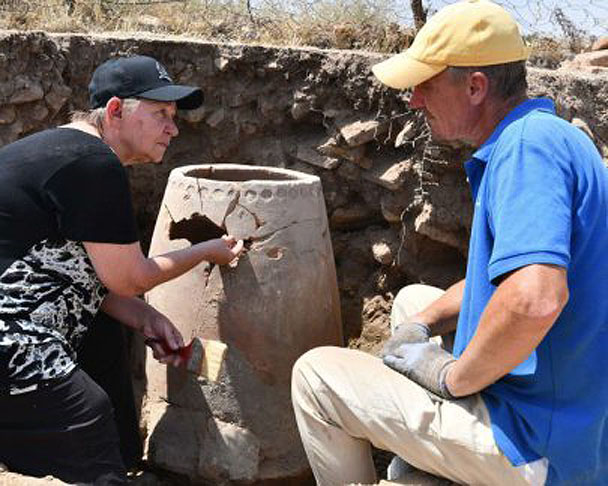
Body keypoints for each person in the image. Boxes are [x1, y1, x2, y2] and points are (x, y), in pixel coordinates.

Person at [290, 1, 608, 485]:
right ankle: (420, 470)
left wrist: (451, 378)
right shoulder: (552, 135)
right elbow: (496, 280)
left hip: (536, 445)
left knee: (316, 376)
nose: (415, 101)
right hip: (571, 415)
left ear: (476, 87)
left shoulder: (525, 152)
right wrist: (422, 324)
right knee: (415, 302)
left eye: (426, 85)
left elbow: (536, 298)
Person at [0, 55, 244, 484]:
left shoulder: (63, 152)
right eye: (161, 114)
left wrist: (146, 317)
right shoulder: (94, 165)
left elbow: (84, 275)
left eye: (173, 116)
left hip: (24, 317)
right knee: (86, 415)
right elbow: (130, 277)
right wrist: (208, 251)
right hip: (11, 338)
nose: (173, 128)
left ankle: (111, 461)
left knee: (103, 341)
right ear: (115, 111)